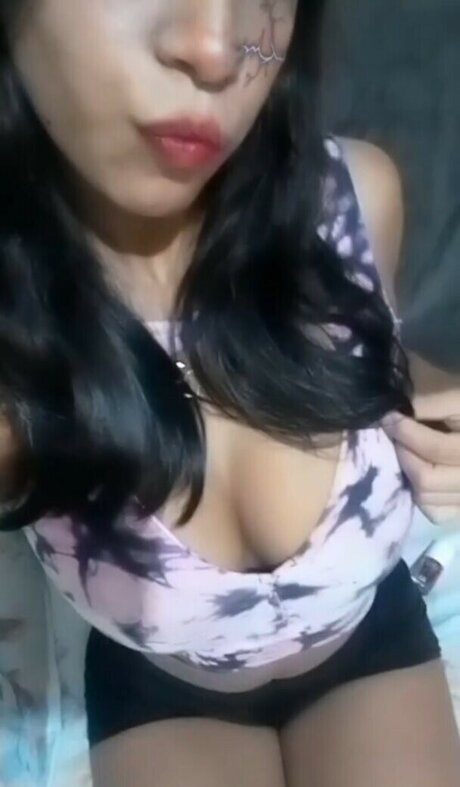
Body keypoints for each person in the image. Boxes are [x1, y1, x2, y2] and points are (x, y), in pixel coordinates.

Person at [0, 2, 459, 786]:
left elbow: (380, 357)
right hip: (163, 691)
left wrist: (441, 411)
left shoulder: (356, 193)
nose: (219, 48)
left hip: (368, 636)